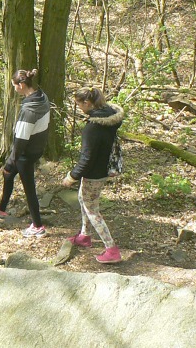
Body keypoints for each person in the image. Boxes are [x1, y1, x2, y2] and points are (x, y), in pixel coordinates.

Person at [0, 69, 50, 238]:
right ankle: (1, 208)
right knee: (8, 176)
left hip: (26, 155)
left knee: (29, 189)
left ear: (21, 85)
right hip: (36, 148)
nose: (13, 89)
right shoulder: (41, 97)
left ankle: (38, 226)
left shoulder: (29, 111)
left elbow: (20, 141)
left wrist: (10, 162)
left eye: (14, 86)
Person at [61, 87, 125, 263]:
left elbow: (86, 158)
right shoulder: (110, 117)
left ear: (87, 103)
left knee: (92, 209)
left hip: (95, 173)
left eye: (79, 104)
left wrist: (72, 177)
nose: (79, 108)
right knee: (83, 199)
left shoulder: (93, 128)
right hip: (104, 168)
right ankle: (84, 236)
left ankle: (111, 249)